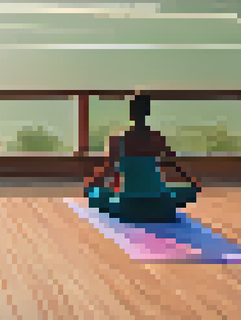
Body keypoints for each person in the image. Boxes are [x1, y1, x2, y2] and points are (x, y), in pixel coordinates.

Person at [83, 94, 202, 223]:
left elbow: (108, 169)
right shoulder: (158, 138)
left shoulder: (118, 140)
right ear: (148, 112)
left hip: (128, 206)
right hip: (160, 206)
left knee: (97, 194)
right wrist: (192, 183)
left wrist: (91, 185)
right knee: (183, 192)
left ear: (131, 114)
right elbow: (174, 166)